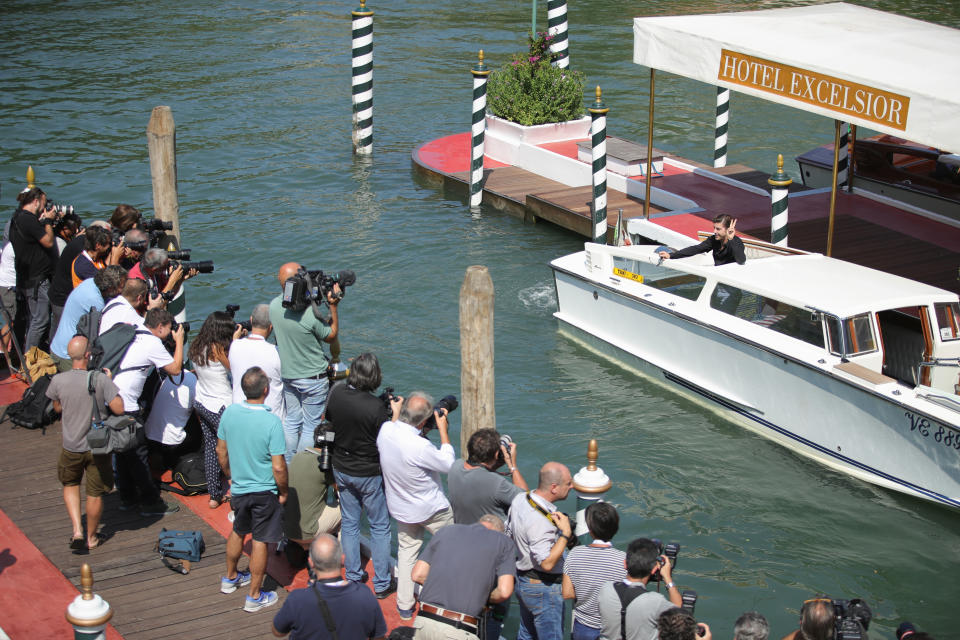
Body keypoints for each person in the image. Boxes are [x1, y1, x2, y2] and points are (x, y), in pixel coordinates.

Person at [377, 391, 455, 620]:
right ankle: (448, 599)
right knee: (451, 551)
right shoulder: (420, 446)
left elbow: (394, 424)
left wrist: (397, 410)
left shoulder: (385, 431)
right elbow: (448, 464)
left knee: (407, 553)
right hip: (432, 510)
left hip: (402, 508)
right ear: (423, 422)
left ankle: (404, 605)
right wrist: (443, 429)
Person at [325, 352, 398, 597]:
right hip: (369, 472)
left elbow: (335, 420)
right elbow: (388, 439)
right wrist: (394, 413)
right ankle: (382, 583)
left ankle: (354, 575)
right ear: (375, 376)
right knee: (379, 526)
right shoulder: (377, 408)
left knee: (350, 522)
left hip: (342, 468)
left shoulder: (335, 393)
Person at [217, 366, 287, 613]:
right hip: (264, 491)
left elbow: (221, 451)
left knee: (238, 530)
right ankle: (255, 596)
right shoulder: (271, 422)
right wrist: (284, 491)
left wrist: (231, 476)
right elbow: (278, 467)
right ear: (266, 390)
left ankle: (230, 577)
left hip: (239, 488)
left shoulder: (230, 413)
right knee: (260, 540)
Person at [46, 335, 124, 551]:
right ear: (88, 355)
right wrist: (111, 382)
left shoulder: (58, 381)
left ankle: (77, 531)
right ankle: (91, 537)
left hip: (71, 446)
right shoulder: (99, 379)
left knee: (70, 484)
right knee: (95, 492)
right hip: (97, 447)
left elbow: (57, 408)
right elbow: (119, 408)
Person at [111, 308, 184, 516]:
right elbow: (176, 369)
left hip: (112, 396)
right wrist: (179, 341)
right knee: (138, 455)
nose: (171, 333)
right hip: (127, 404)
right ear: (160, 328)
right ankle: (150, 503)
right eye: (169, 330)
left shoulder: (133, 331)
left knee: (122, 452)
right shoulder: (152, 343)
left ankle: (127, 498)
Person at [269, 262, 340, 461]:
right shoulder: (310, 314)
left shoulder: (274, 306)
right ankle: (302, 465)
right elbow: (331, 335)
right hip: (313, 378)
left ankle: (290, 463)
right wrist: (333, 307)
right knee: (311, 425)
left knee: (292, 421)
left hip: (289, 375)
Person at [410, 514, 516, 640]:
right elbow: (504, 592)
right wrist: (483, 598)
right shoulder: (504, 542)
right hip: (458, 629)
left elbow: (417, 575)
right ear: (499, 532)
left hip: (423, 622)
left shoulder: (446, 530)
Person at [505, 462, 575, 640]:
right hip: (543, 588)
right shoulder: (540, 522)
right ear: (554, 488)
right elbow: (547, 563)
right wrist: (565, 534)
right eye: (568, 483)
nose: (572, 486)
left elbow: (509, 532)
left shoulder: (521, 499)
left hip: (523, 579)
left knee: (527, 633)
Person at [271, 534, 386, 640]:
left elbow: (277, 632)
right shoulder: (364, 595)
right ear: (342, 559)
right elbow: (378, 637)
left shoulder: (297, 599)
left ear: (311, 563)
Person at [189, 311, 242, 509]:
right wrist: (235, 344)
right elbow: (235, 370)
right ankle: (237, 494)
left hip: (202, 404)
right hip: (221, 408)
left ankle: (214, 496)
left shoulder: (197, 346)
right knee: (233, 452)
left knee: (211, 448)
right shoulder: (219, 350)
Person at [563, 502, 627, 640]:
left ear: (590, 529)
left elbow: (567, 593)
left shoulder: (575, 554)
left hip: (583, 626)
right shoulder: (624, 560)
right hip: (613, 627)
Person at [596, 538, 683, 640]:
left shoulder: (606, 589)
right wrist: (667, 578)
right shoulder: (655, 601)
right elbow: (679, 614)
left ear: (625, 564)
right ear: (654, 569)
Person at [49, 265, 126, 372]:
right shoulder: (95, 302)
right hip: (69, 356)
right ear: (110, 288)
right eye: (121, 287)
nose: (122, 290)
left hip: (60, 347)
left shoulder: (90, 282)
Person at [9, 187, 58, 351]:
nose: (44, 208)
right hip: (37, 279)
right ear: (36, 201)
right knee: (40, 320)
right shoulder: (28, 220)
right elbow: (48, 242)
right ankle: (30, 360)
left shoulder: (16, 217)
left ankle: (25, 356)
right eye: (43, 203)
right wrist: (47, 222)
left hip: (26, 277)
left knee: (32, 319)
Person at [448, 427, 527, 524]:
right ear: (497, 454)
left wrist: (496, 462)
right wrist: (512, 465)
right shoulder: (497, 484)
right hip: (492, 537)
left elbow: (479, 473)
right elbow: (526, 501)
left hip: (462, 533)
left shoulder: (455, 467)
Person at [282, 424, 342, 549]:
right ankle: (341, 554)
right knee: (351, 506)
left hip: (287, 530)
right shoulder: (325, 466)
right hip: (308, 532)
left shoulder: (297, 457)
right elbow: (342, 490)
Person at [228, 304, 284, 418]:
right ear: (271, 327)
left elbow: (235, 345)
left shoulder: (234, 346)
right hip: (271, 417)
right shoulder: (277, 353)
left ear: (251, 320)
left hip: (240, 415)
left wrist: (235, 338)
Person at [143, 368, 199, 473]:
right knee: (200, 426)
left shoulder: (169, 377)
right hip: (172, 443)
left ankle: (159, 455)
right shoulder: (196, 384)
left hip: (149, 435)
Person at [657, 214, 744, 266]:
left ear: (728, 229)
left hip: (730, 284)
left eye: (718, 229)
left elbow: (741, 261)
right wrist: (671, 255)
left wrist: (731, 239)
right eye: (714, 228)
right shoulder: (714, 240)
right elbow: (696, 249)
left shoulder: (736, 242)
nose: (714, 231)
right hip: (718, 280)